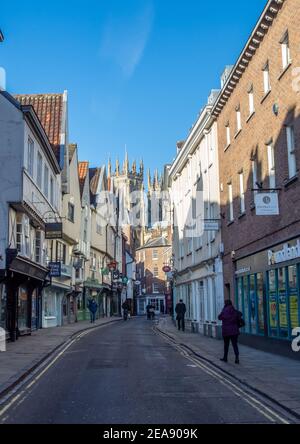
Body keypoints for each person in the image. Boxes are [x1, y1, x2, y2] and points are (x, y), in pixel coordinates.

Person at [218, 300, 243, 364]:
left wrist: (223, 310)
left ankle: (225, 358)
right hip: (234, 331)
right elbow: (240, 314)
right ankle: (237, 358)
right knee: (235, 344)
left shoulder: (224, 311)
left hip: (226, 331)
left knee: (226, 345)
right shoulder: (234, 311)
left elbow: (219, 317)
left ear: (225, 304)